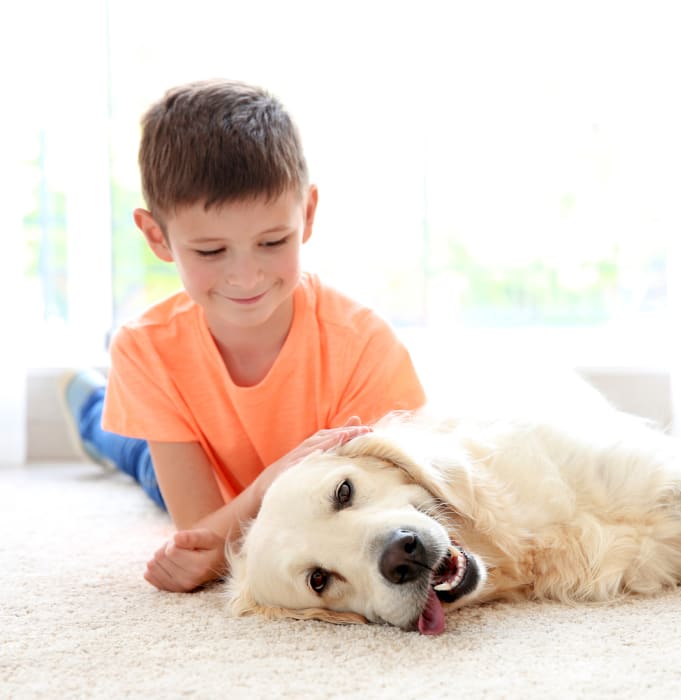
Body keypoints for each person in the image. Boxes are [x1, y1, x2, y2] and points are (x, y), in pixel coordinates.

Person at [60, 79, 426, 594]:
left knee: (140, 451)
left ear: (308, 214)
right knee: (137, 456)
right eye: (211, 252)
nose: (246, 277)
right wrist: (271, 480)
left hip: (231, 506)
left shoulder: (363, 343)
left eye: (273, 241)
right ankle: (92, 410)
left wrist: (230, 524)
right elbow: (196, 531)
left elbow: (375, 510)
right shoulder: (143, 347)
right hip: (213, 482)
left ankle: (102, 415)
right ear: (157, 237)